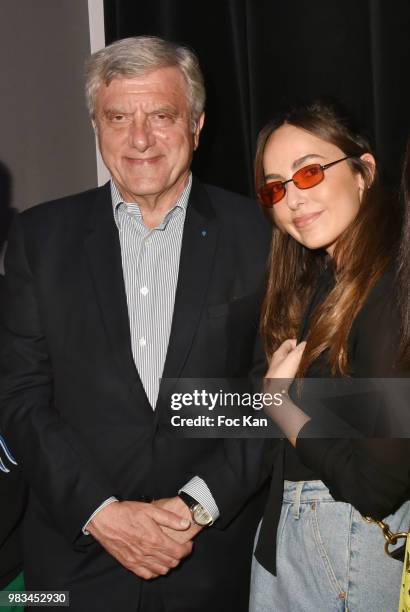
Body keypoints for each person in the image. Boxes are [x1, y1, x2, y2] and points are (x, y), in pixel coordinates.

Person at [0, 37, 272, 612]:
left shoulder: (263, 236)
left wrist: (196, 505)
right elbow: (21, 396)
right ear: (96, 125)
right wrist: (101, 513)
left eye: (162, 116)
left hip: (208, 562)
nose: (139, 138)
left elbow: (274, 395)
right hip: (67, 571)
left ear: (196, 125)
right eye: (118, 117)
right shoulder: (39, 240)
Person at [249, 99, 410, 611]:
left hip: (346, 547)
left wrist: (282, 406)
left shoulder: (389, 290)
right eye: (276, 187)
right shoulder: (327, 282)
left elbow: (377, 484)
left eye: (310, 173)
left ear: (364, 171)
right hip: (312, 542)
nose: (293, 199)